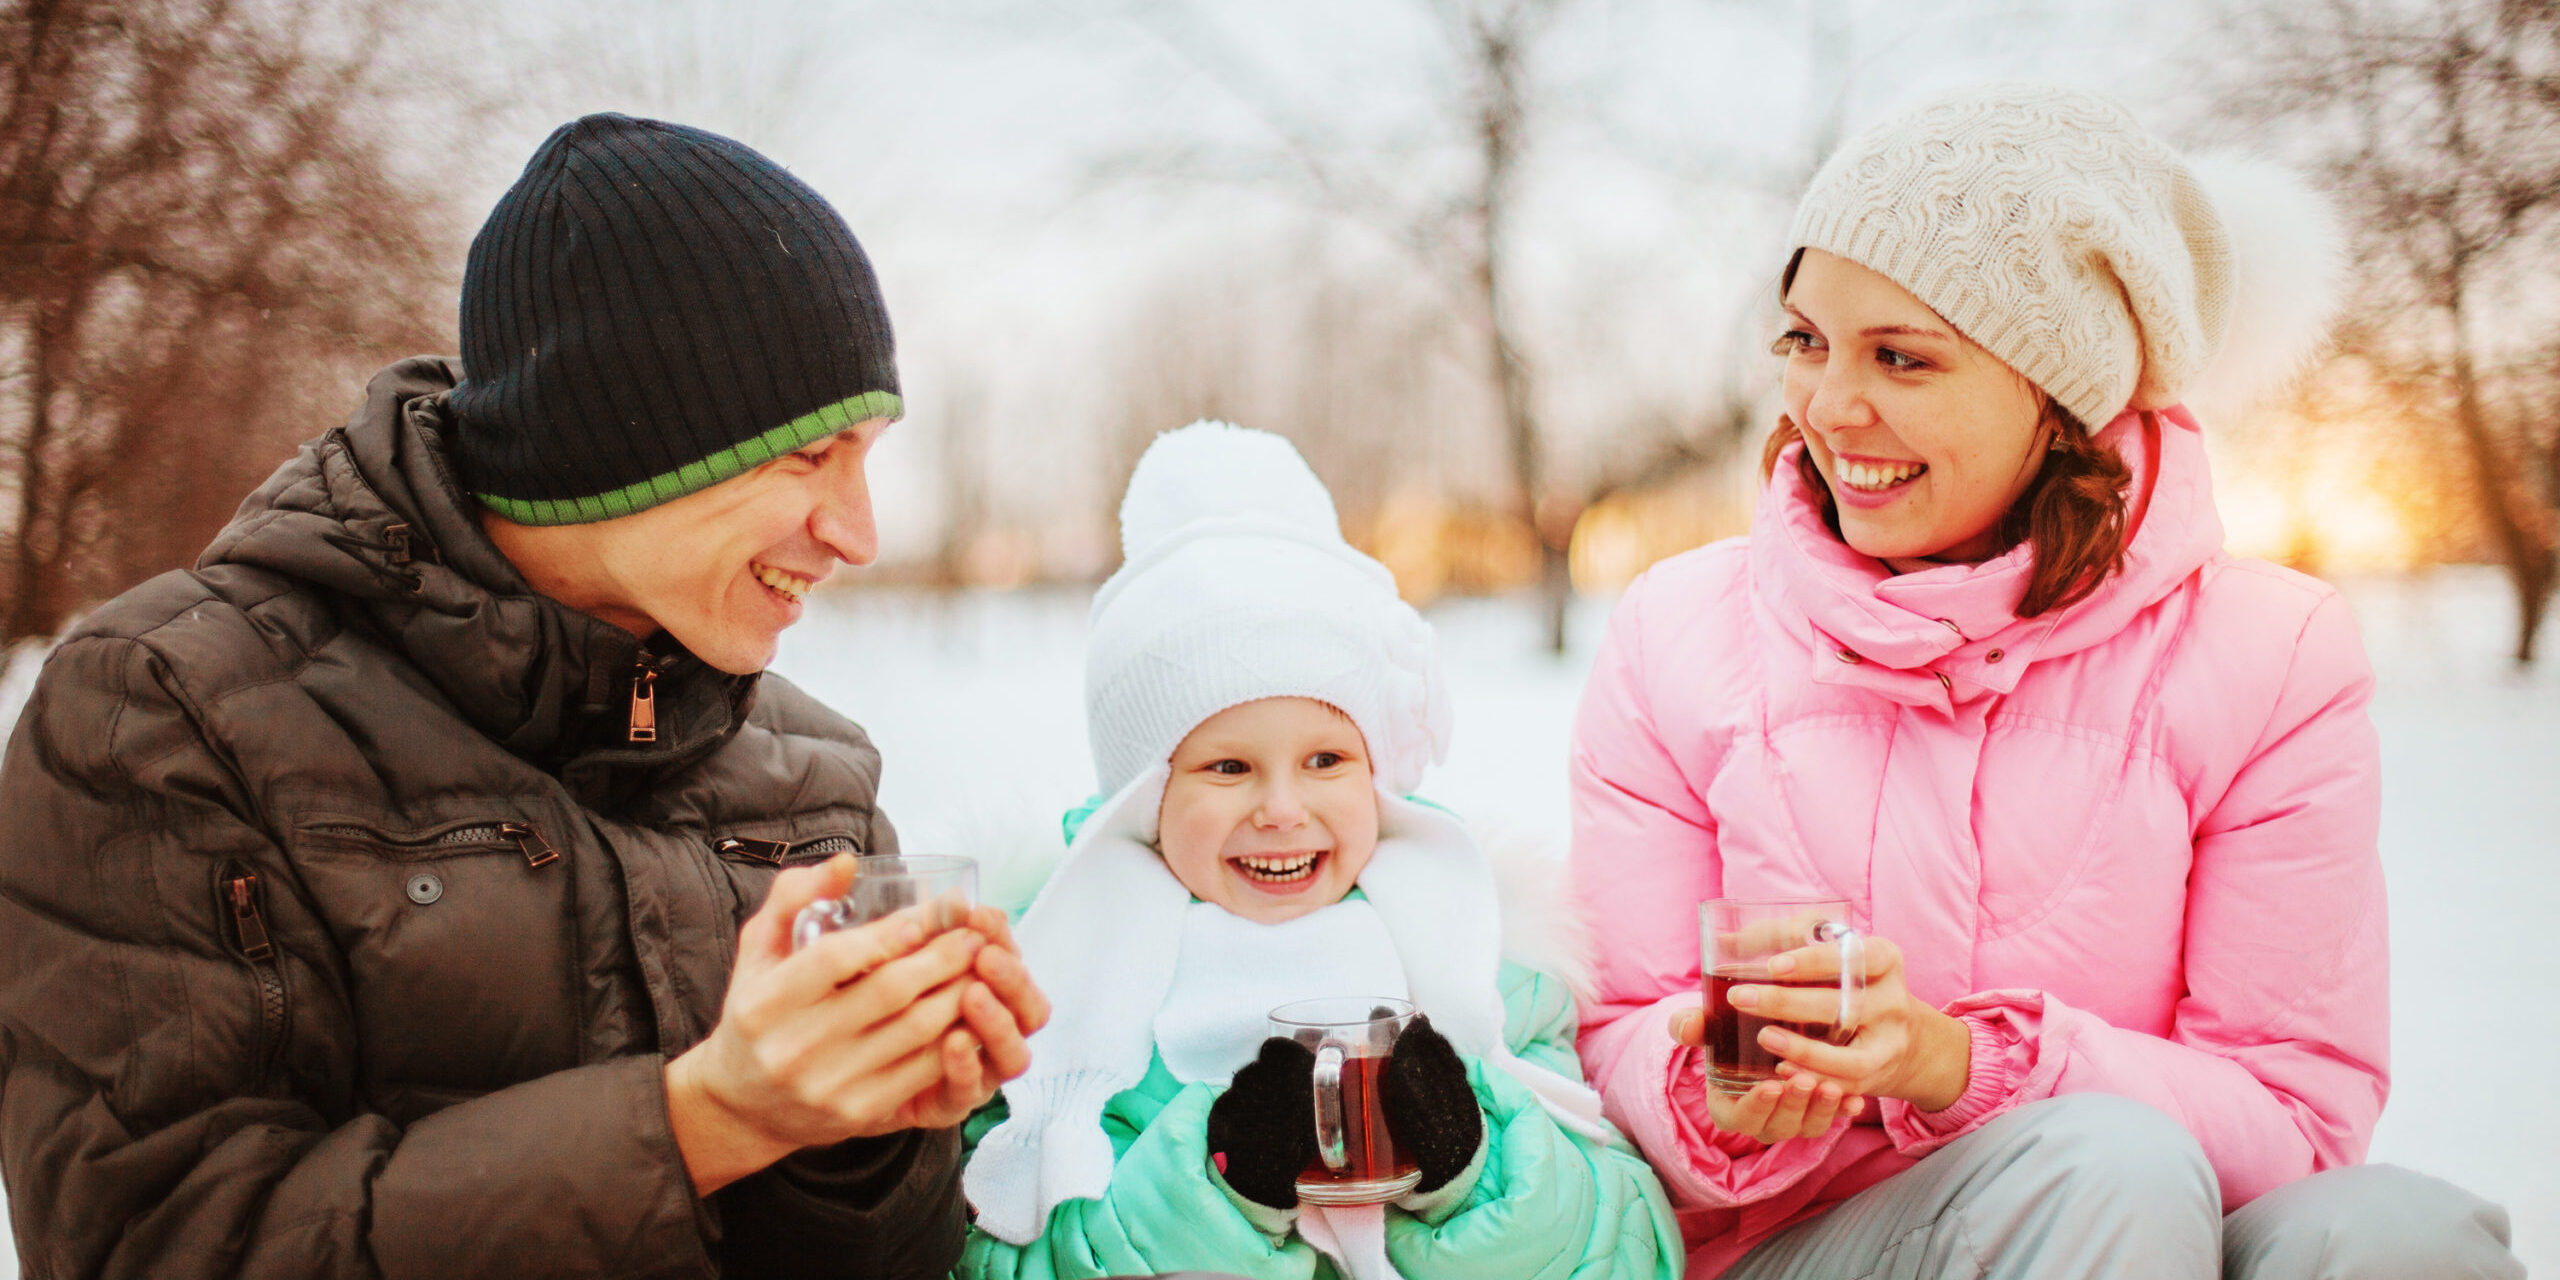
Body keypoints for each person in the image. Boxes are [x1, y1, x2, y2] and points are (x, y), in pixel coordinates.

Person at [0, 113, 1047, 1278]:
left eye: (867, 455)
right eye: (807, 459)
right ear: (626, 442)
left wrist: (857, 1134)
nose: (858, 532)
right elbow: (155, 1244)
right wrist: (705, 1119)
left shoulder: (812, 770)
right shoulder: (167, 712)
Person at [1567, 83, 2522, 1278]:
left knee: (2400, 1235)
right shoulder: (1677, 633)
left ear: (2059, 390)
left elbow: (2297, 1117)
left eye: (1901, 356)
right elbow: (1609, 1038)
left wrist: (1961, 1063)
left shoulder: (2270, 657)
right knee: (2100, 1165)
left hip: (2148, 1214)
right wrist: (1711, 1094)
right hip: (1805, 1244)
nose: (1827, 404)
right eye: (1804, 340)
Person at [953, 423, 1682, 1280]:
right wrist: (1215, 1191)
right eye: (1228, 767)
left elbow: (1632, 1247)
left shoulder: (1482, 961)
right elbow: (991, 1259)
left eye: (1326, 761)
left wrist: (1468, 1173)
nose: (1283, 809)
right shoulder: (1060, 997)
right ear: (1145, 799)